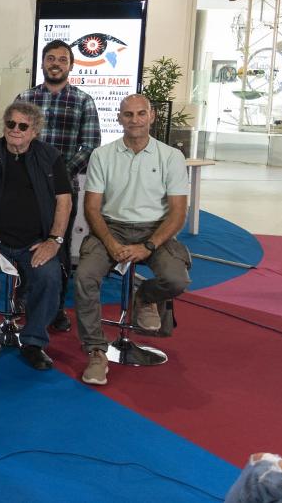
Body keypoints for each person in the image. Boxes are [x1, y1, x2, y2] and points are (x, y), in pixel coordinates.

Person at [76, 94, 191, 386]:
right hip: (110, 227)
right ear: (119, 118)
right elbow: (92, 208)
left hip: (156, 230)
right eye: (128, 114)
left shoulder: (171, 157)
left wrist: (148, 246)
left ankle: (144, 298)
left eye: (141, 114)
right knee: (85, 277)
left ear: (152, 116)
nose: (135, 120)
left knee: (177, 280)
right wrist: (111, 244)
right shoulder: (102, 155)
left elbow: (178, 213)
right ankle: (96, 351)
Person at [0, 101, 72, 371]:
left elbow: (64, 201)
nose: (15, 130)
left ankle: (33, 342)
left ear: (34, 131)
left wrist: (54, 241)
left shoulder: (50, 157)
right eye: (11, 124)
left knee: (49, 276)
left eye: (23, 126)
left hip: (35, 243)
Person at [17, 38, 101, 333]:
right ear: (42, 63)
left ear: (71, 65)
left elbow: (90, 145)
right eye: (50, 58)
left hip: (63, 192)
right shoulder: (25, 98)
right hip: (24, 190)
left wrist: (56, 175)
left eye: (62, 59)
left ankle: (56, 307)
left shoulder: (83, 101)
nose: (56, 64)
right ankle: (23, 298)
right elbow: (14, 140)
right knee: (23, 244)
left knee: (59, 248)